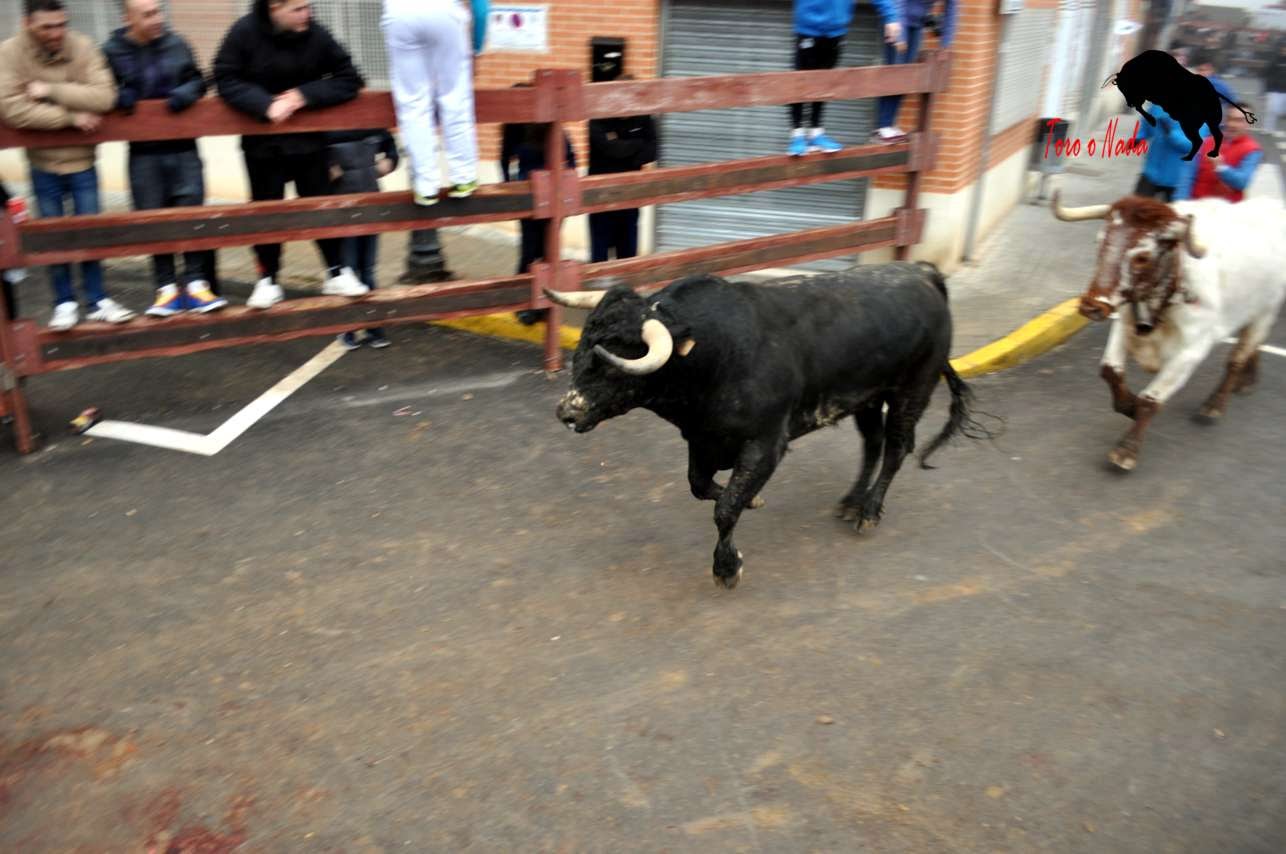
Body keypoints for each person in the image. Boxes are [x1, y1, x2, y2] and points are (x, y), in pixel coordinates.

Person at [213, 0, 369, 310]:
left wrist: (303, 95)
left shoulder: (316, 33)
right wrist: (264, 104)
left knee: (320, 207)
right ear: (274, 8)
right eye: (298, 9)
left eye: (308, 6)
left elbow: (350, 78)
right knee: (266, 213)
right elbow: (224, 77)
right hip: (262, 144)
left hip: (309, 143)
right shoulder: (244, 32)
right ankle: (267, 279)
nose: (307, 14)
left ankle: (337, 271)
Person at [0, 0, 134, 331]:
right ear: (28, 24)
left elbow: (104, 97)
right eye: (47, 26)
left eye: (61, 24)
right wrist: (71, 117)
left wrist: (49, 90)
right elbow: (13, 109)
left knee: (90, 233)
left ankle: (97, 299)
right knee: (51, 237)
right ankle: (64, 302)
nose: (56, 32)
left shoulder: (83, 46)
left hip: (83, 160)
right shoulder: (10, 53)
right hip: (42, 162)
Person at [103, 0, 224, 318]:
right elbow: (98, 89)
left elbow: (200, 80)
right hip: (144, 153)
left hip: (184, 148)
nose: (157, 18)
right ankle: (166, 289)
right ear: (128, 18)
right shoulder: (112, 51)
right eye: (148, 14)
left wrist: (187, 92)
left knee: (192, 215)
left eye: (159, 11)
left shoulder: (177, 43)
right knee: (153, 220)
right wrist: (117, 96)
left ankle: (197, 285)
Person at [381, 0, 488, 206]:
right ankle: (463, 177)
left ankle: (425, 185)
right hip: (444, 11)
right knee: (454, 96)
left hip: (399, 12)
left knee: (412, 102)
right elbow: (481, 9)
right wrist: (476, 50)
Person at [789, 0, 905, 156]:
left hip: (836, 31)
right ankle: (797, 134)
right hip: (808, 28)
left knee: (824, 84)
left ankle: (816, 133)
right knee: (800, 83)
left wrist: (891, 17)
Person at [500, 88, 576, 325]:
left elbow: (572, 159)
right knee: (529, 252)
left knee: (548, 251)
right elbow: (504, 159)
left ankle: (545, 302)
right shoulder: (514, 129)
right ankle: (525, 303)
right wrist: (511, 190)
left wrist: (564, 187)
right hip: (529, 200)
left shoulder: (554, 128)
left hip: (553, 199)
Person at [327, 127, 399, 349]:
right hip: (343, 207)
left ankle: (373, 328)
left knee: (367, 270)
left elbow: (391, 147)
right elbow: (312, 157)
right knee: (348, 271)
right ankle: (348, 329)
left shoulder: (372, 126)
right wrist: (326, 168)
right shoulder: (327, 129)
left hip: (370, 203)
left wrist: (390, 161)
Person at [587, 75, 657, 263]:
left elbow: (652, 151)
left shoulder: (643, 116)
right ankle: (599, 281)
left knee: (628, 251)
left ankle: (626, 280)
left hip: (630, 193)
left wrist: (620, 146)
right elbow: (609, 149)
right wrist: (637, 144)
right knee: (599, 252)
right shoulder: (598, 117)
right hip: (600, 193)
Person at [874, 0, 956, 142]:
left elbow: (952, 13)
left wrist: (945, 45)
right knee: (895, 72)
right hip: (897, 19)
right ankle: (882, 126)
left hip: (917, 24)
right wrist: (900, 37)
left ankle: (889, 124)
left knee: (906, 77)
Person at [1181, 106, 1263, 202]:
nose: (1232, 124)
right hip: (1197, 204)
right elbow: (1187, 177)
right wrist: (1181, 203)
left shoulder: (1253, 150)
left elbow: (1242, 182)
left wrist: (1221, 167)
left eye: (1239, 120)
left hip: (1227, 208)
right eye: (1230, 119)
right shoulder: (1206, 142)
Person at [1133, 102, 1205, 202]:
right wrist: (1139, 137)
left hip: (1177, 178)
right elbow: (1146, 123)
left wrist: (1171, 134)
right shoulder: (1157, 105)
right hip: (1152, 171)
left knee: (1172, 211)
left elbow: (1194, 146)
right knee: (1136, 206)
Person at [1264, 39, 1286, 133]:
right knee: (1272, 110)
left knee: (1280, 111)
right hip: (1274, 89)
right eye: (1284, 48)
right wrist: (1268, 86)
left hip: (1284, 89)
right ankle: (1267, 129)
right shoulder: (1275, 60)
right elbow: (1266, 73)